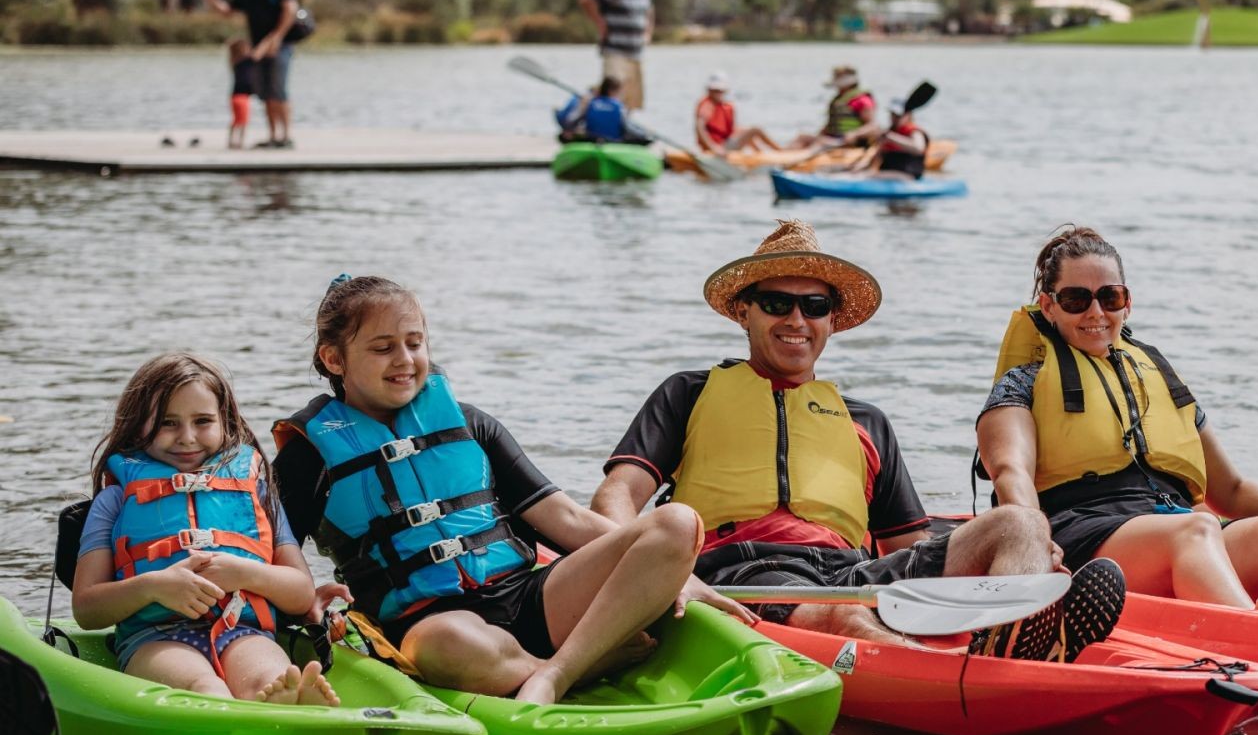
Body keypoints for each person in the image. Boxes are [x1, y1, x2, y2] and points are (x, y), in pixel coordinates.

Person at [590, 219, 1126, 663]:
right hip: (747, 570)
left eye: (814, 307)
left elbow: (909, 551)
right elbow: (616, 497)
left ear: (830, 322)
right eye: (776, 303)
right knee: (843, 614)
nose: (796, 320)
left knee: (1022, 523)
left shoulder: (866, 421)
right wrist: (654, 574)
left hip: (849, 569)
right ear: (744, 312)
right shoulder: (690, 392)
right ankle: (967, 670)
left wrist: (1015, 555)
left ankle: (1015, 633)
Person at [273, 275, 752, 707]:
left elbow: (567, 520)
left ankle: (558, 674)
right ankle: (579, 664)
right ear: (334, 359)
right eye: (383, 348)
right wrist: (301, 601)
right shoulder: (308, 456)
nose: (405, 360)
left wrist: (677, 572)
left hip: (530, 597)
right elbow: (269, 553)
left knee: (677, 522)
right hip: (430, 624)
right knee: (446, 645)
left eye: (415, 343)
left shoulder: (470, 424)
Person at [976, 226, 1258, 624]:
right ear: (1049, 305)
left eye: (1110, 297)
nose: (1095, 312)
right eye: (1075, 300)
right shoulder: (1024, 383)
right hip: (1087, 539)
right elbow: (1011, 473)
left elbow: (1230, 490)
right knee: (1195, 527)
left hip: (1180, 531)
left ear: (1128, 302)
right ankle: (1257, 630)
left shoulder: (1154, 377)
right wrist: (1035, 543)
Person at [70, 353, 333, 706]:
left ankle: (278, 701)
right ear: (138, 425)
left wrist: (244, 573)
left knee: (266, 674)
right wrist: (154, 587)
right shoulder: (115, 500)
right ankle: (229, 709)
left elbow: (301, 593)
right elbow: (86, 609)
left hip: (242, 630)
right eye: (168, 423)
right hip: (155, 638)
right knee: (202, 685)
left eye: (203, 421)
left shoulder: (254, 491)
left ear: (225, 423)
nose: (187, 437)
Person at [200, 0, 298, 148]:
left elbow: (290, 10)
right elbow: (228, 11)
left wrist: (277, 38)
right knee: (265, 92)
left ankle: (286, 136)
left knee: (278, 89)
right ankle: (273, 136)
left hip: (280, 44)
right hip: (257, 48)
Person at [577, 0, 653, 111]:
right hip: (615, 48)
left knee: (631, 96)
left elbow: (649, 10)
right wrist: (600, 22)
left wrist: (647, 33)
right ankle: (589, 116)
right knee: (612, 88)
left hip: (635, 51)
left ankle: (622, 129)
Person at [787, 65, 876, 150]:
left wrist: (855, 134)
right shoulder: (839, 100)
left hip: (849, 141)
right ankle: (785, 156)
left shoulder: (862, 100)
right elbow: (830, 125)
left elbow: (871, 126)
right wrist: (820, 134)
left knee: (822, 142)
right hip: (833, 138)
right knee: (802, 137)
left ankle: (800, 159)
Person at [693, 73, 780, 154]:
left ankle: (760, 156)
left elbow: (731, 131)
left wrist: (745, 134)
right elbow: (699, 127)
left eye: (720, 91)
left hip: (723, 143)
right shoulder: (706, 105)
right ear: (709, 91)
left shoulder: (724, 106)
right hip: (719, 147)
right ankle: (780, 152)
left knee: (747, 131)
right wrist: (713, 148)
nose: (718, 93)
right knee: (756, 130)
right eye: (715, 91)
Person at [555, 76, 648, 144]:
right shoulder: (619, 107)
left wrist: (581, 108)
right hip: (613, 142)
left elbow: (570, 122)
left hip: (592, 140)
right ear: (612, 91)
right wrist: (644, 135)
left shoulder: (590, 104)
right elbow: (627, 127)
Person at [857, 96, 929, 179]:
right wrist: (859, 168)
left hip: (907, 175)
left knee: (868, 176)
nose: (894, 118)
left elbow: (918, 148)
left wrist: (892, 138)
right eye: (892, 115)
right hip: (889, 174)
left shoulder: (915, 132)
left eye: (898, 116)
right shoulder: (889, 133)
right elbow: (877, 157)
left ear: (908, 115)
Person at [225, 38, 255, 149]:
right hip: (242, 97)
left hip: (234, 96)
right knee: (243, 121)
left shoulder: (234, 61)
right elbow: (257, 55)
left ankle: (231, 141)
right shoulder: (246, 61)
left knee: (236, 120)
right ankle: (240, 142)